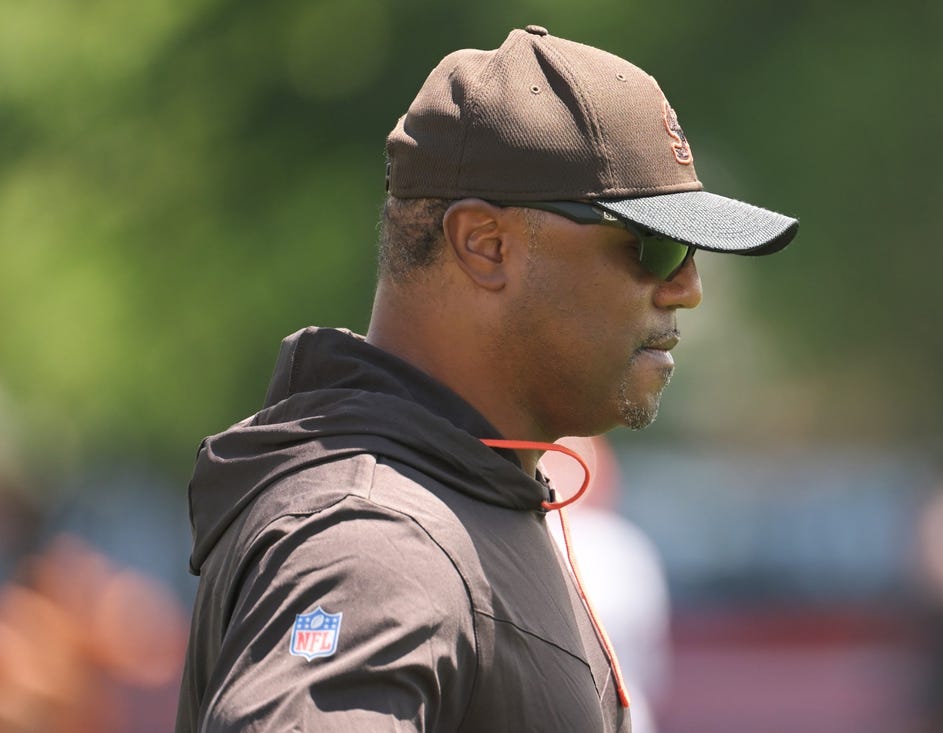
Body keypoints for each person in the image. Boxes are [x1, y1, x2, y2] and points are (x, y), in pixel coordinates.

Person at [176, 24, 798, 733]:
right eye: (653, 246)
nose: (688, 289)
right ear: (485, 244)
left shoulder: (466, 494)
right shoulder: (376, 544)